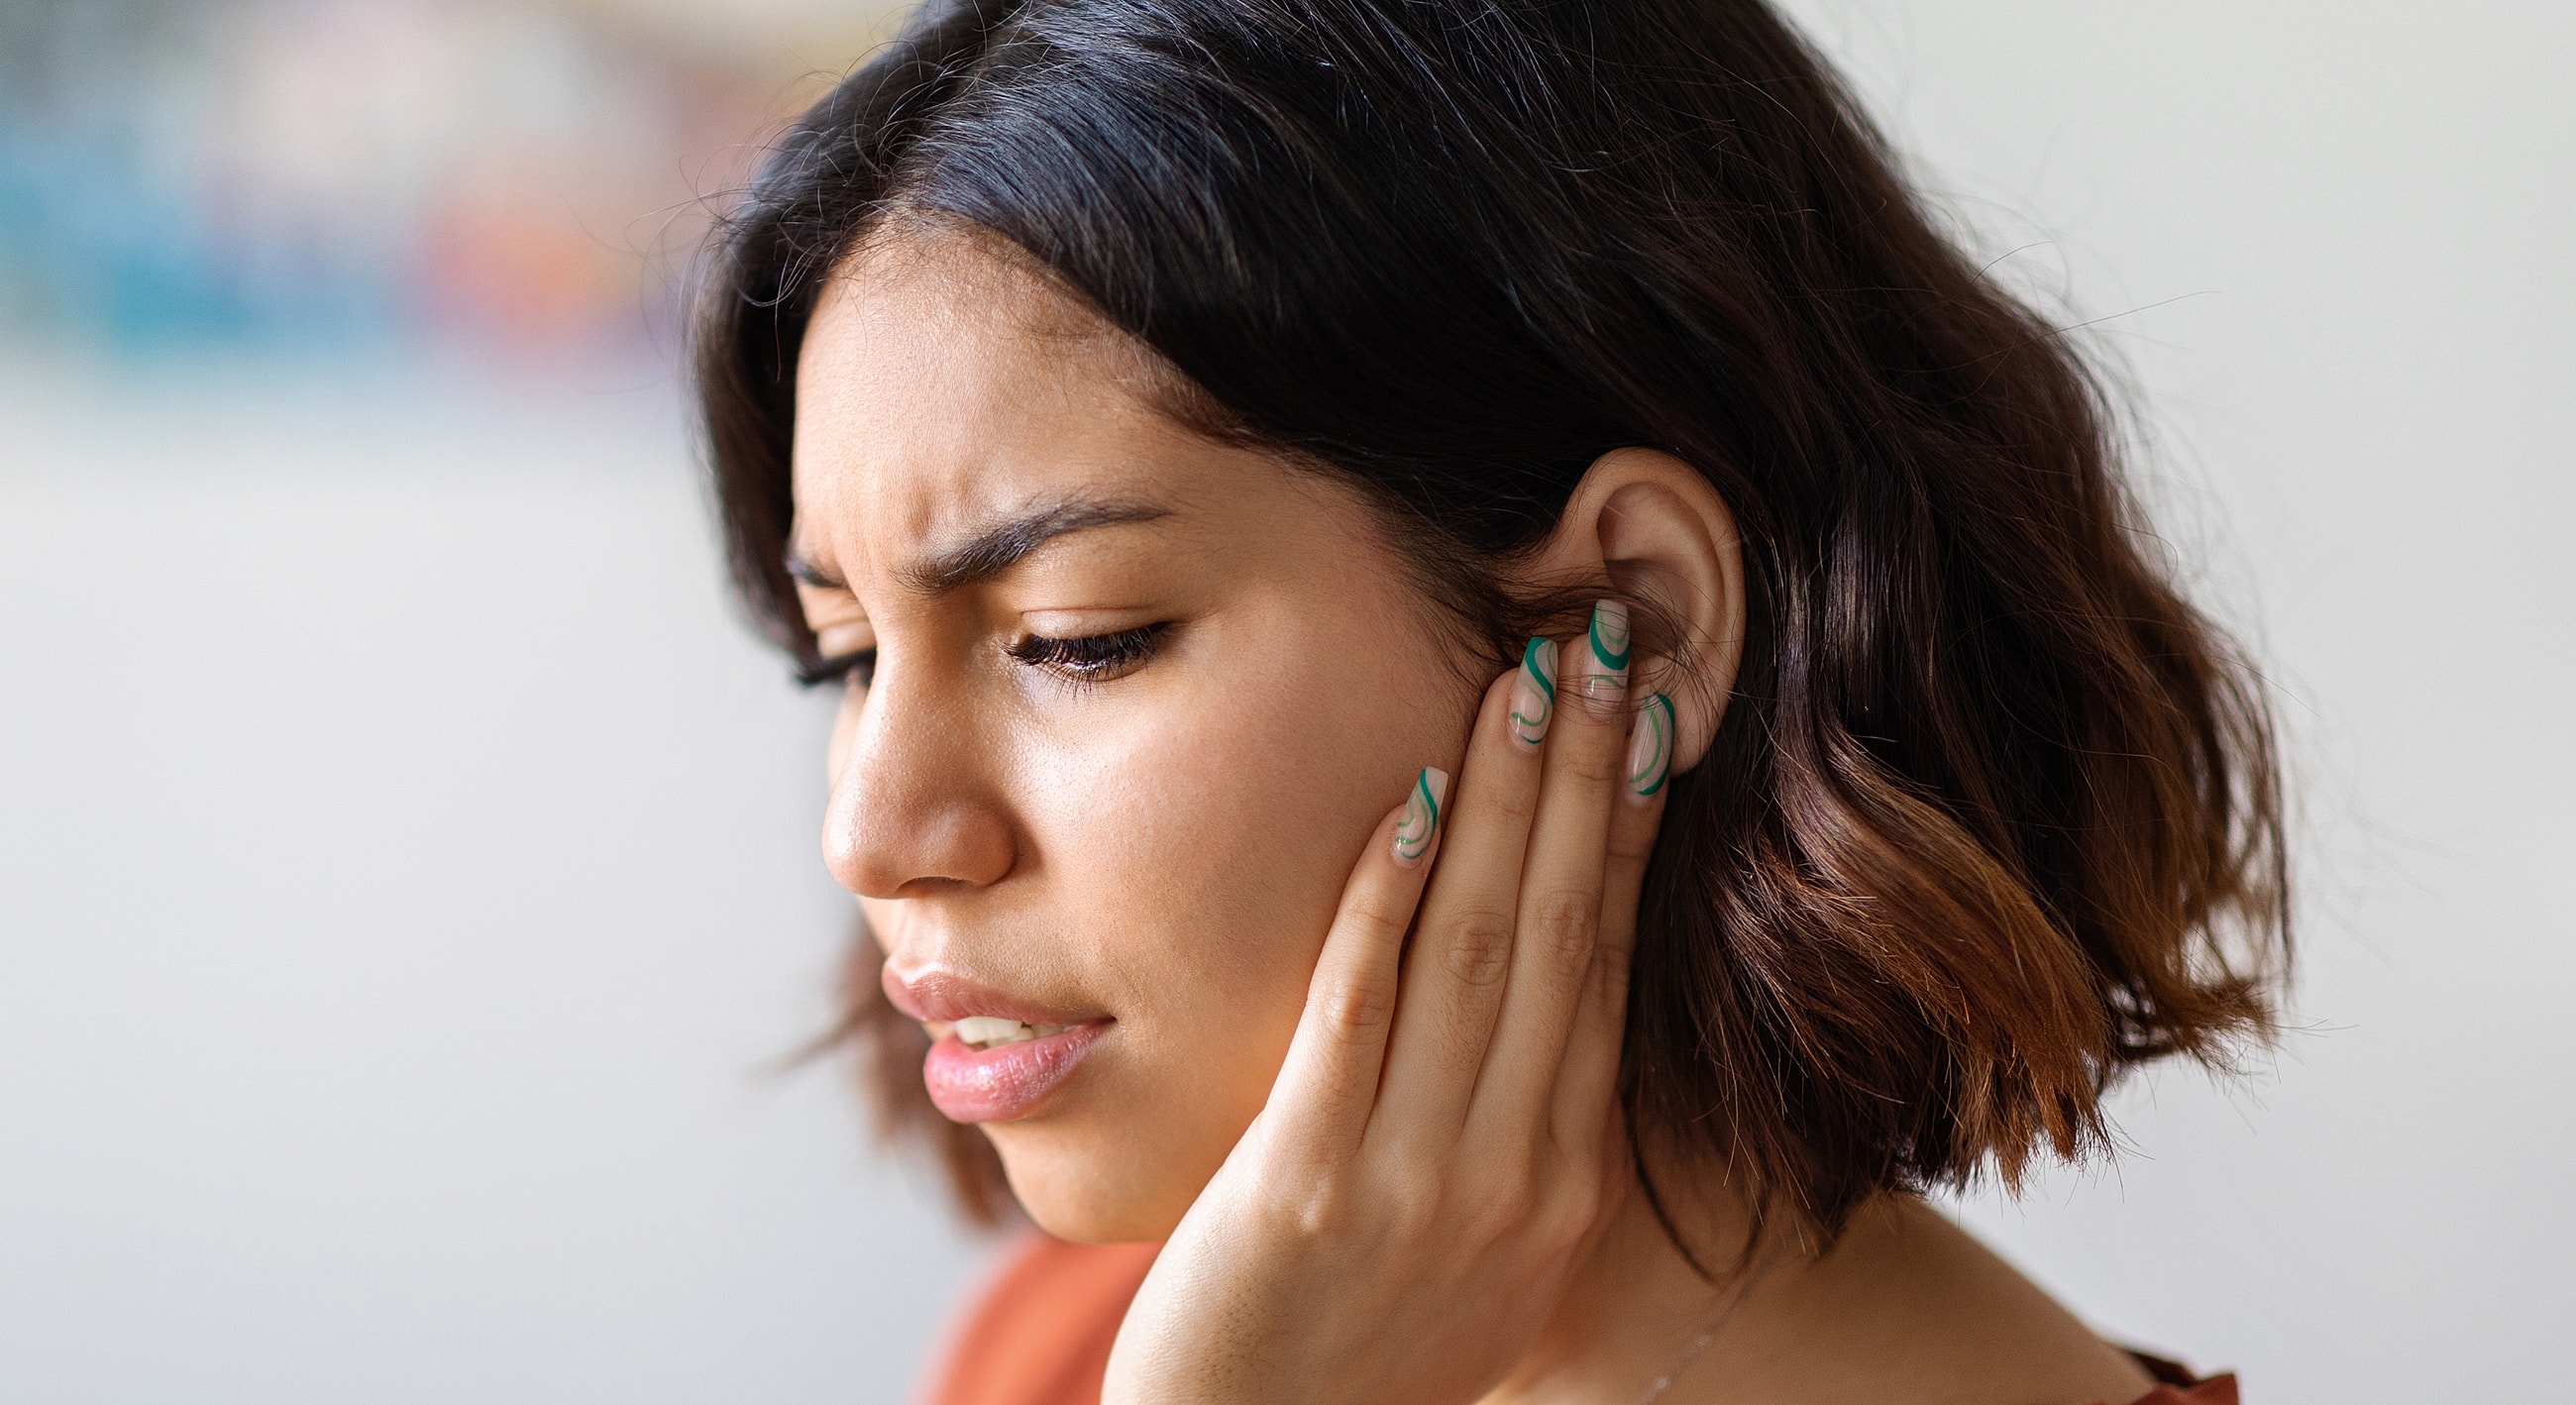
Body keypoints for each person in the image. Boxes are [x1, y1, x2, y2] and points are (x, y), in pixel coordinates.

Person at [693, 1, 2287, 1401]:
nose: (873, 832)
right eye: (845, 658)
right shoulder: (1088, 1343)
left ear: (1631, 627)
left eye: (1073, 637)